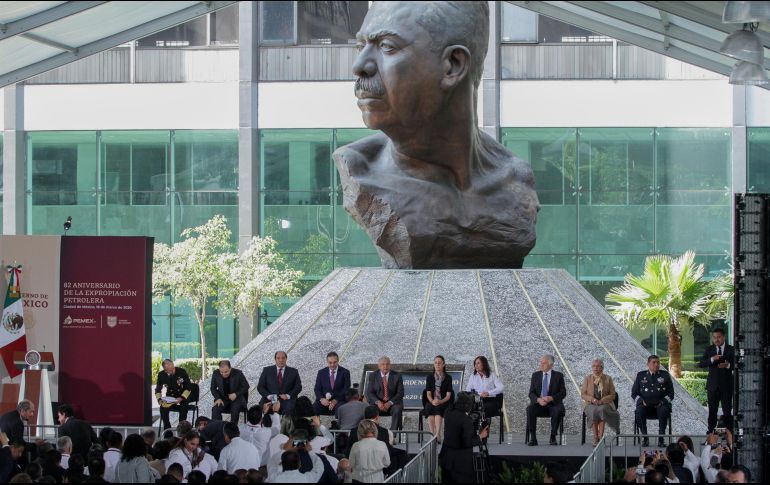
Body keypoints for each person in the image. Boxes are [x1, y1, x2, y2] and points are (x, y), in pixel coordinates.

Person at [333, 1, 539, 270]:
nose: (359, 66)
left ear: (453, 65)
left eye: (386, 46)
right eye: (361, 47)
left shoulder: (515, 181)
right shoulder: (359, 170)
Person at [439, 392, 489, 483]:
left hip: (446, 457)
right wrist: (480, 436)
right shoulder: (466, 420)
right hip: (460, 462)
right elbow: (468, 442)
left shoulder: (448, 413)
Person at [697, 328, 735, 433]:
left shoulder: (731, 349)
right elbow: (701, 364)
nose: (716, 340)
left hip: (726, 386)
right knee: (712, 411)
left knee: (727, 411)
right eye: (714, 337)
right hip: (712, 386)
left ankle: (729, 434)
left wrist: (728, 365)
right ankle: (711, 433)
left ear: (723, 337)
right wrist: (712, 359)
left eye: (718, 337)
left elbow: (737, 365)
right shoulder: (709, 350)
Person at [632, 355, 674, 447]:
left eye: (658, 362)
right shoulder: (641, 375)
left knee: (664, 410)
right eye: (654, 362)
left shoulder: (665, 375)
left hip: (660, 406)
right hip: (646, 406)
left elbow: (671, 394)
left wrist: (662, 402)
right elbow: (634, 394)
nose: (656, 364)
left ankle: (661, 439)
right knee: (639, 411)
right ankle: (645, 438)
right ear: (648, 364)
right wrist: (641, 401)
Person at [526, 355, 567, 446]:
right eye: (541, 362)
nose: (541, 364)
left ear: (551, 365)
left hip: (553, 404)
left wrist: (551, 398)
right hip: (539, 404)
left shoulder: (558, 376)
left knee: (557, 410)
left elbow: (563, 392)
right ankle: (533, 438)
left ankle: (553, 436)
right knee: (530, 409)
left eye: (543, 363)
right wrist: (538, 399)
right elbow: (531, 393)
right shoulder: (535, 375)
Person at [581, 358, 620, 446]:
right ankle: (596, 437)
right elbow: (583, 394)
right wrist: (592, 399)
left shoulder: (608, 378)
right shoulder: (587, 378)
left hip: (605, 404)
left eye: (598, 366)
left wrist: (602, 401)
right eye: (594, 366)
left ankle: (601, 436)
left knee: (602, 410)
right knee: (594, 410)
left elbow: (613, 395)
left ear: (602, 368)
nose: (595, 368)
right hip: (591, 404)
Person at [365, 356, 404, 430]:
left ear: (390, 365)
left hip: (392, 404)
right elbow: (369, 393)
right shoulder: (373, 375)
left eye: (387, 364)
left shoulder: (397, 376)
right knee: (370, 409)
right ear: (379, 366)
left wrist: (389, 403)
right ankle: (375, 432)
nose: (385, 366)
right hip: (378, 404)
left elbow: (400, 393)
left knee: (397, 409)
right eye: (383, 364)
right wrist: (378, 402)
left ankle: (393, 434)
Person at [155, 359, 193, 430]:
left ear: (173, 365)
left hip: (183, 396)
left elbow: (188, 387)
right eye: (168, 370)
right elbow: (158, 389)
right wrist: (159, 399)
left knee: (183, 408)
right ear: (165, 370)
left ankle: (182, 430)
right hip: (171, 397)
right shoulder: (161, 375)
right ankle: (167, 430)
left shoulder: (181, 372)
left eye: (172, 369)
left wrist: (181, 398)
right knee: (163, 407)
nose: (171, 372)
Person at [423, 355, 454, 443]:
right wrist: (432, 401)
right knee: (429, 407)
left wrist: (440, 401)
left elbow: (448, 396)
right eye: (435, 363)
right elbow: (428, 393)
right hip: (433, 401)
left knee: (438, 408)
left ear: (443, 364)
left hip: (444, 401)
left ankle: (438, 434)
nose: (437, 365)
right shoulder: (430, 377)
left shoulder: (448, 378)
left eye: (439, 363)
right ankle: (432, 435)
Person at [313, 352, 351, 416]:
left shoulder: (345, 372)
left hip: (339, 401)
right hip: (324, 400)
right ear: (327, 362)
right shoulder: (321, 372)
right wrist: (321, 399)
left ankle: (338, 425)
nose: (332, 365)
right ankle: (316, 424)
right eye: (330, 362)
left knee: (341, 409)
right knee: (313, 408)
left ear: (338, 361)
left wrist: (336, 400)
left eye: (335, 362)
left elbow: (346, 389)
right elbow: (317, 388)